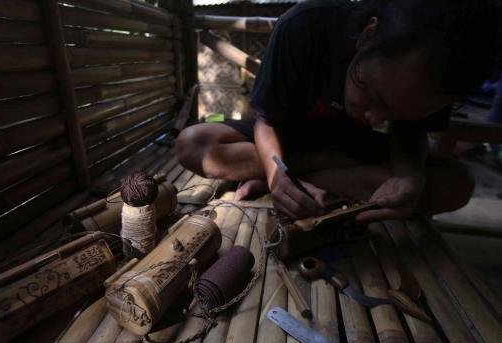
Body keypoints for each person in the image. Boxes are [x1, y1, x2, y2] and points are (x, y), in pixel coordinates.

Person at [177, 0, 502, 222]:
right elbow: (267, 120)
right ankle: (314, 174)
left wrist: (408, 174)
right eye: (370, 94)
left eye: (399, 114)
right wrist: (277, 173)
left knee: (456, 184)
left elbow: (410, 138)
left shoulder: (446, 70)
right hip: (288, 137)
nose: (376, 119)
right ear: (367, 36)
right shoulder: (305, 25)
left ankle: (298, 178)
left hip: (352, 148)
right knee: (194, 145)